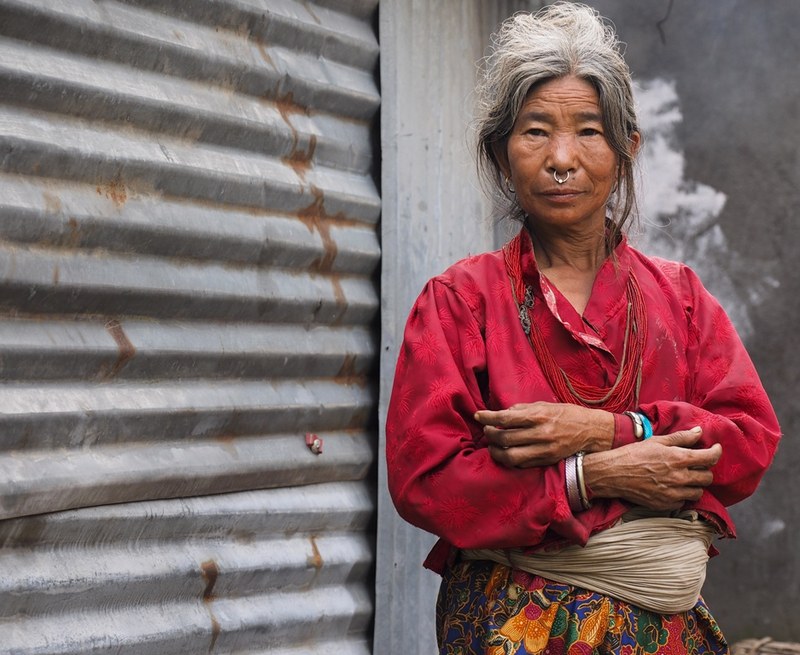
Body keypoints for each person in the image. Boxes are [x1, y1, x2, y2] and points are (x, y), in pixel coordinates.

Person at [385, 3, 781, 654]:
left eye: (588, 131)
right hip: (507, 631)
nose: (561, 158)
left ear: (627, 149)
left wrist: (613, 429)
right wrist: (591, 476)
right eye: (535, 131)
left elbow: (747, 442)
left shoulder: (680, 299)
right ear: (500, 153)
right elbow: (426, 482)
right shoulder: (461, 303)